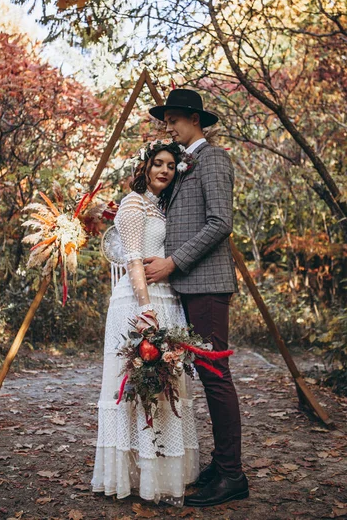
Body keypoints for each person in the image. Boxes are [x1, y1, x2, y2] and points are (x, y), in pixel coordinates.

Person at [145, 89, 249, 507]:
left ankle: (232, 476)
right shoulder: (186, 164)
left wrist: (173, 263)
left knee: (215, 376)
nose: (168, 126)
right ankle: (222, 466)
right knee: (207, 376)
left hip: (206, 284)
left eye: (173, 118)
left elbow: (220, 222)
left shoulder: (214, 159)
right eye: (166, 119)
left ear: (194, 118)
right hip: (190, 287)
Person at [91, 141, 199, 506]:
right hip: (138, 303)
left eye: (171, 165)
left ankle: (164, 473)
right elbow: (134, 261)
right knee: (137, 385)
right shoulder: (133, 204)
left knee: (167, 385)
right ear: (146, 167)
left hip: (167, 298)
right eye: (158, 164)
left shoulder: (162, 206)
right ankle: (134, 476)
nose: (164, 171)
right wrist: (145, 309)